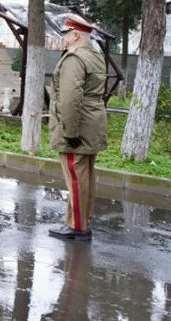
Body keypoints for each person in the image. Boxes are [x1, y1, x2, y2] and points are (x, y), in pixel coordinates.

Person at [48, 13, 107, 241]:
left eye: (65, 35)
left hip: (78, 124)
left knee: (75, 176)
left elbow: (70, 98)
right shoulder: (94, 54)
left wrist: (69, 133)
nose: (63, 39)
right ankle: (78, 221)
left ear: (74, 35)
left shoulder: (74, 58)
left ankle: (79, 227)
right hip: (91, 121)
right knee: (85, 176)